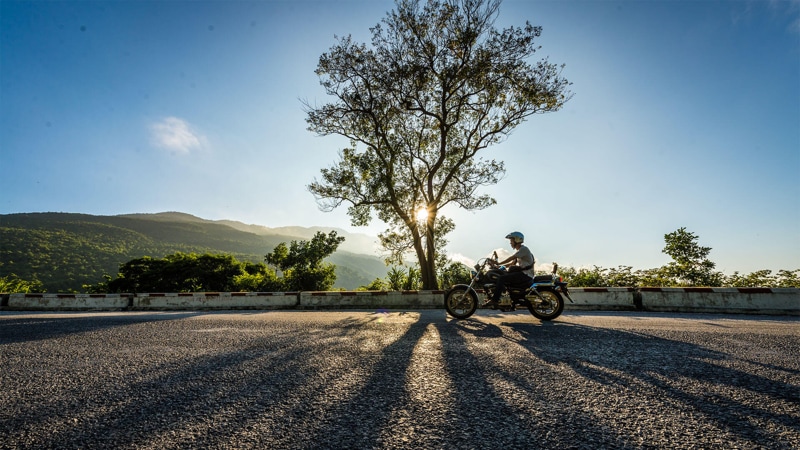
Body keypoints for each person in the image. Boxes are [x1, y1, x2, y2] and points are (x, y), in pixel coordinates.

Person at [486, 231, 535, 306]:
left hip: (526, 275)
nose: (510, 243)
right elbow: (511, 264)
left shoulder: (524, 249)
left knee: (501, 278)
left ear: (517, 240)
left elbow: (511, 258)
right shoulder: (520, 252)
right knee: (504, 275)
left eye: (511, 240)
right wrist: (497, 267)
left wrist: (498, 263)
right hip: (524, 274)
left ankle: (495, 300)